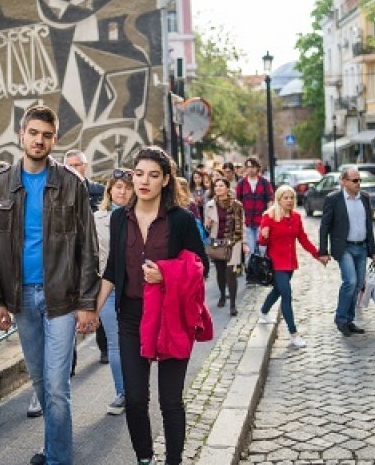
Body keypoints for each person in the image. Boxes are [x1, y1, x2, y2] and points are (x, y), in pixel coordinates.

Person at [0, 105, 100, 465]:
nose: (39, 140)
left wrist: (86, 302)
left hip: (61, 298)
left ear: (54, 139)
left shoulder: (71, 182)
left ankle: (58, 459)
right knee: (40, 383)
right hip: (21, 298)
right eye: (33, 133)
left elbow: (87, 247)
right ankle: (52, 449)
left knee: (57, 387)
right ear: (22, 134)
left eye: (47, 135)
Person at [98, 146, 209, 465]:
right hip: (131, 318)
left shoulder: (182, 220)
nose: (144, 181)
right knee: (134, 399)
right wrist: (93, 310)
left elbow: (203, 266)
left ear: (165, 180)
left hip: (171, 317)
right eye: (139, 174)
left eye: (153, 175)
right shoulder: (119, 218)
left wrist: (167, 272)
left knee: (170, 400)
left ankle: (173, 460)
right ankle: (144, 458)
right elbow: (112, 268)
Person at [257, 185, 323, 347]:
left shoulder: (296, 217)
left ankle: (263, 312)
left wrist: (317, 254)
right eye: (285, 198)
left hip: (290, 263)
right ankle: (294, 334)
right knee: (286, 295)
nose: (289, 200)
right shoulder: (269, 216)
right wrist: (263, 236)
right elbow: (262, 242)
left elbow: (303, 239)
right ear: (278, 200)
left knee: (278, 290)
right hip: (275, 262)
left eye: (291, 197)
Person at [318, 167, 375, 336]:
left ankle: (349, 319)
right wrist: (323, 251)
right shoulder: (334, 199)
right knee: (350, 282)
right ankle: (341, 319)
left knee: (359, 284)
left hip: (361, 247)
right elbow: (325, 226)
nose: (358, 183)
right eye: (354, 180)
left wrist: (373, 251)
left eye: (359, 180)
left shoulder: (364, 198)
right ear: (343, 181)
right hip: (343, 247)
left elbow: (369, 226)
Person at [93, 167, 134, 415]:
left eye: (127, 187)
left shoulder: (141, 216)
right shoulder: (97, 218)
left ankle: (136, 387)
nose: (122, 191)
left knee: (137, 342)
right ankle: (122, 392)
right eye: (118, 187)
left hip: (137, 288)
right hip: (108, 287)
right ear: (110, 190)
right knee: (115, 343)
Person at [63, 149, 106, 368]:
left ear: (85, 166)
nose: (73, 169)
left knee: (97, 304)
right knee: (67, 316)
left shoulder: (98, 191)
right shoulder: (60, 193)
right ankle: (69, 362)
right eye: (68, 165)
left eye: (76, 165)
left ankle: (104, 347)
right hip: (69, 261)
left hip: (96, 256)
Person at [204, 178, 245, 316]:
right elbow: (207, 228)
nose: (218, 188)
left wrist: (243, 243)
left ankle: (233, 305)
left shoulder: (236, 205)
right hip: (217, 242)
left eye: (221, 185)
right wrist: (207, 225)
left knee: (231, 273)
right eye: (216, 186)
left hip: (233, 242)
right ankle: (222, 294)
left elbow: (241, 224)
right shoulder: (209, 205)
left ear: (228, 188)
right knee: (220, 272)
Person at [236, 156, 274, 266]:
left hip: (261, 221)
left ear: (257, 168)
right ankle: (251, 273)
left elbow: (270, 200)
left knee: (262, 248)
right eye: (247, 167)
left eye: (252, 167)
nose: (250, 169)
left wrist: (268, 217)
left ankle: (262, 271)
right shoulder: (242, 183)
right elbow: (238, 202)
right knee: (250, 249)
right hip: (246, 221)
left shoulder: (264, 182)